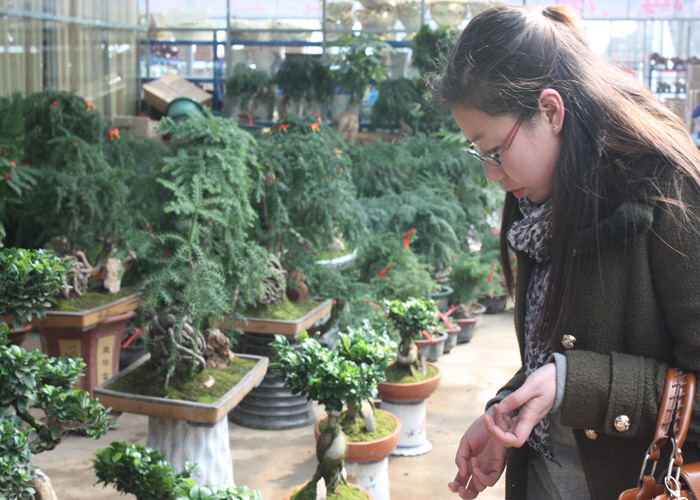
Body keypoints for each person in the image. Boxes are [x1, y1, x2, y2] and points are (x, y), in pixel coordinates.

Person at [431, 5, 700, 500]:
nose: (490, 173)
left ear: (551, 111)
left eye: (494, 150)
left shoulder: (665, 191)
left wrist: (574, 384)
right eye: (478, 153)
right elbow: (557, 349)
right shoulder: (541, 200)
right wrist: (508, 408)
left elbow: (575, 372)